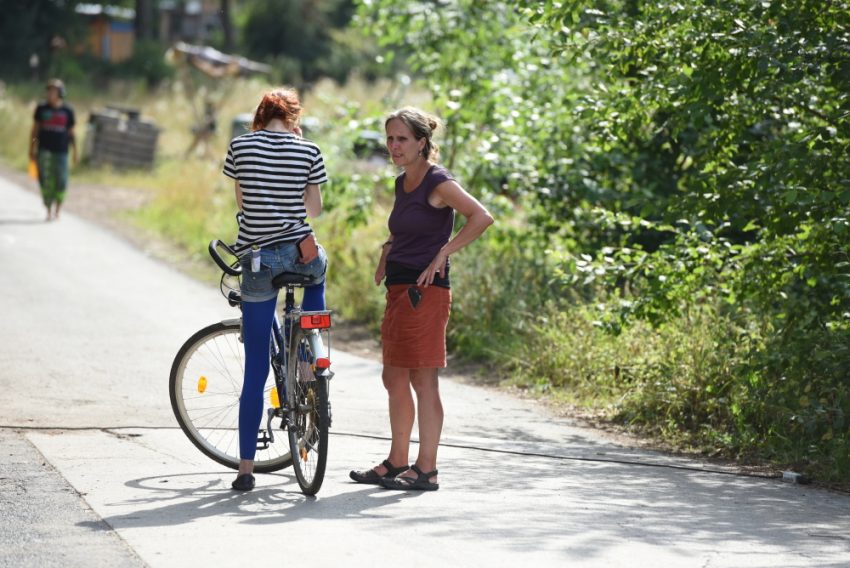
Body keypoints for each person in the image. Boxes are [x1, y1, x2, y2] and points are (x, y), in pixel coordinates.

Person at [349, 107, 494, 491]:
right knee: (393, 377)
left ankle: (426, 469)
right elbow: (405, 229)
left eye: (402, 139)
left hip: (425, 292)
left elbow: (481, 217)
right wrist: (386, 251)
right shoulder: (403, 183)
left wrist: (444, 251)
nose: (394, 146)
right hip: (399, 289)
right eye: (390, 138)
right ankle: (397, 461)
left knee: (422, 378)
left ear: (421, 143)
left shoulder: (438, 181)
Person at [222, 88, 329, 491]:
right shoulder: (309, 150)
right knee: (318, 273)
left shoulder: (241, 146)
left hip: (258, 262)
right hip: (302, 256)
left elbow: (244, 204)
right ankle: (309, 352)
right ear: (294, 118)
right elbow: (314, 210)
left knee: (255, 370)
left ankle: (245, 470)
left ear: (260, 116)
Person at [30, 78, 77, 221]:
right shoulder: (41, 109)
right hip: (44, 150)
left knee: (61, 180)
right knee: (45, 180)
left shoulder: (68, 111)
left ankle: (58, 209)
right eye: (49, 91)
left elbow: (72, 133)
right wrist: (33, 147)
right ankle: (48, 209)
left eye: (54, 92)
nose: (50, 94)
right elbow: (35, 132)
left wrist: (75, 152)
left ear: (60, 93)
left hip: (62, 151)